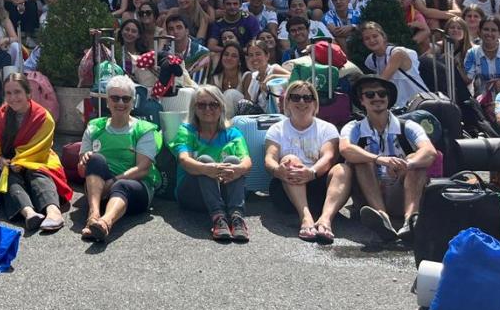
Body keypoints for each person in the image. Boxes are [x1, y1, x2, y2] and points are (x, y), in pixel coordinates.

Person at [340, 75, 436, 242]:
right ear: (361, 101)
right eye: (370, 95)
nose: (377, 98)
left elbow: (429, 151)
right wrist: (379, 159)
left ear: (388, 98)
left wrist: (407, 164)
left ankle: (411, 219)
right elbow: (345, 149)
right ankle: (381, 217)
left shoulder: (408, 125)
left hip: (399, 191)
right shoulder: (353, 127)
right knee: (362, 159)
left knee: (417, 159)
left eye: (382, 94)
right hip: (367, 194)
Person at [264, 80, 351, 244]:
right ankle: (306, 218)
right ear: (287, 102)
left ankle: (325, 220)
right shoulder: (276, 129)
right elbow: (269, 158)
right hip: (287, 192)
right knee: (290, 160)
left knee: (343, 169)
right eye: (295, 98)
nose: (302, 102)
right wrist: (278, 170)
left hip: (320, 187)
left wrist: (311, 173)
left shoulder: (327, 128)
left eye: (307, 98)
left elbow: (329, 156)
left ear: (315, 103)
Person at [78, 74, 160, 243]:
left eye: (126, 99)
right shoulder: (94, 127)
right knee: (95, 159)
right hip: (101, 190)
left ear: (133, 102)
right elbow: (81, 170)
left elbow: (143, 169)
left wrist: (113, 181)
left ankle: (105, 223)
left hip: (134, 188)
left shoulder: (144, 130)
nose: (120, 103)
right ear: (107, 101)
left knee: (122, 185)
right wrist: (84, 160)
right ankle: (93, 216)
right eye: (115, 98)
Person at [0, 71, 69, 233]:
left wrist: (21, 162)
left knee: (36, 173)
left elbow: (40, 147)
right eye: (8, 93)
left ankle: (53, 211)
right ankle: (29, 213)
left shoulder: (43, 117)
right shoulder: (0, 116)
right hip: (10, 163)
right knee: (7, 175)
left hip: (38, 160)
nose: (13, 98)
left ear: (28, 93)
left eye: (17, 92)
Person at [171, 83, 252, 242]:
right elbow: (184, 159)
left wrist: (238, 169)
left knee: (234, 161)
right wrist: (208, 169)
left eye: (213, 104)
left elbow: (247, 162)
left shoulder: (232, 132)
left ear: (221, 107)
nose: (208, 109)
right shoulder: (186, 130)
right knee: (204, 160)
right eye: (202, 105)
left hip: (223, 191)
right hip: (192, 194)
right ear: (194, 108)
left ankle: (237, 217)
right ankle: (218, 217)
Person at [358, 21, 426, 108]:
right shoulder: (371, 60)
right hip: (398, 106)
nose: (372, 40)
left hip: (419, 102)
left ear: (383, 37)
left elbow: (382, 81)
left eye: (375, 36)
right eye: (367, 38)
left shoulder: (397, 54)